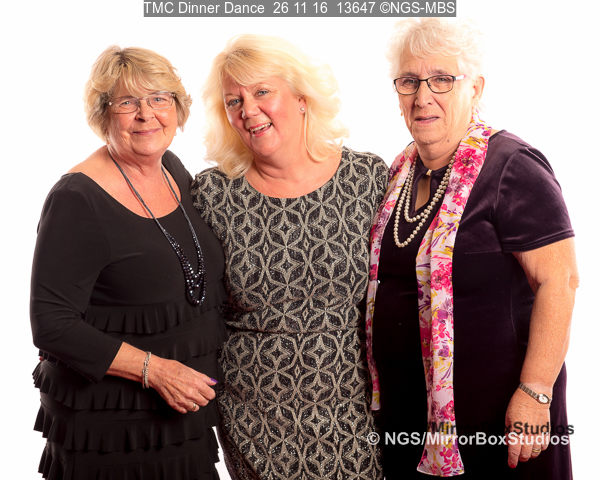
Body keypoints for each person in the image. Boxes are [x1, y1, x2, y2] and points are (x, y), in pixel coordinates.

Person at [366, 18, 578, 479]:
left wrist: (535, 392)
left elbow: (559, 281)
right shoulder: (400, 171)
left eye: (442, 79)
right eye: (409, 81)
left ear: (475, 88)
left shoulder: (512, 165)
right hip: (409, 421)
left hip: (499, 421)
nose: (423, 96)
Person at [191, 34, 387, 480]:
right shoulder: (212, 193)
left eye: (262, 92)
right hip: (254, 416)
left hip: (355, 406)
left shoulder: (368, 176)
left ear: (301, 98)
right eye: (234, 101)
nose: (248, 110)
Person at [30, 46, 226, 479]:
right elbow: (52, 324)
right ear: (103, 114)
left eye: (159, 98)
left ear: (177, 107)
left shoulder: (170, 167)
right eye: (127, 102)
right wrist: (156, 372)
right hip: (112, 427)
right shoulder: (76, 199)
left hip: (183, 417)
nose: (146, 114)